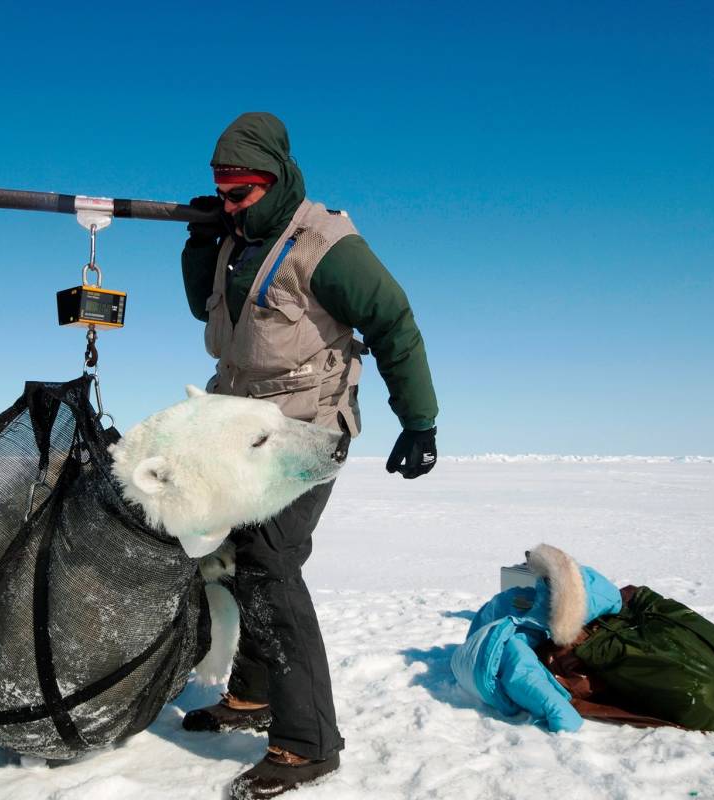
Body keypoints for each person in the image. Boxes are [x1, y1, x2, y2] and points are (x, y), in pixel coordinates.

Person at [179, 112, 439, 799]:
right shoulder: (237, 239)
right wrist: (200, 241)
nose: (231, 206)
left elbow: (393, 320)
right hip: (241, 424)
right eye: (223, 195)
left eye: (241, 195)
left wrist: (418, 420)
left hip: (307, 428)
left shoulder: (327, 245)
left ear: (276, 179)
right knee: (236, 555)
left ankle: (307, 743)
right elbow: (202, 312)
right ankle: (254, 695)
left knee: (269, 561)